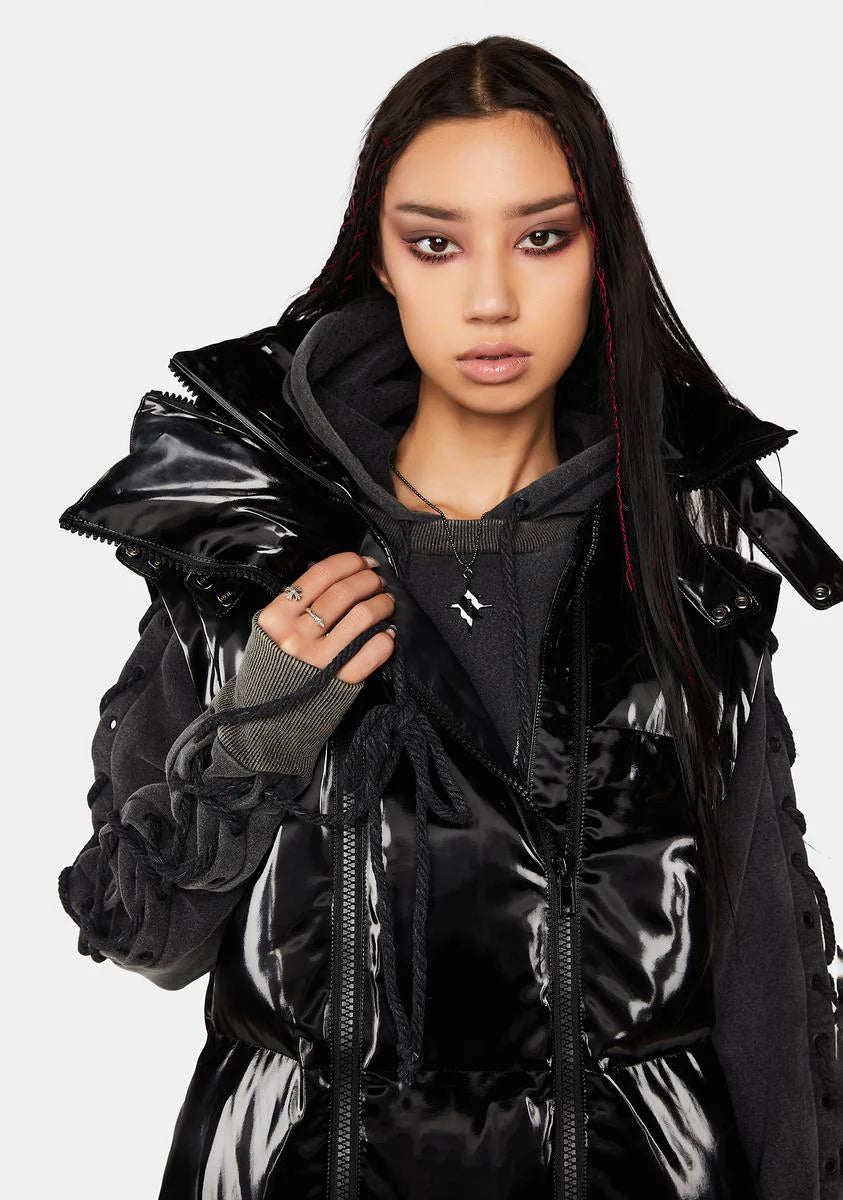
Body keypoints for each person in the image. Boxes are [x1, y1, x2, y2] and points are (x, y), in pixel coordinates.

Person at [57, 34, 842, 1200]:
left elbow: (770, 983)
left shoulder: (684, 554)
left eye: (542, 237)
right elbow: (140, 933)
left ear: (602, 253)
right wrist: (263, 732)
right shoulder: (248, 555)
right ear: (378, 260)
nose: (490, 297)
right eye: (435, 242)